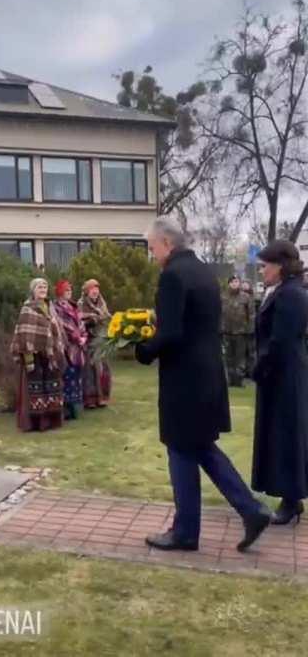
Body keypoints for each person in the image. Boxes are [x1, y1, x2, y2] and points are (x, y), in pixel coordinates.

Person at [135, 217, 270, 553]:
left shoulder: (173, 276)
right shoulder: (203, 272)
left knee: (181, 449)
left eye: (152, 249)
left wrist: (142, 349)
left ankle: (185, 532)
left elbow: (171, 333)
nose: (153, 256)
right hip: (208, 373)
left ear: (166, 243)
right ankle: (251, 511)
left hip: (184, 379)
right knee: (202, 448)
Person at [252, 240, 308, 525]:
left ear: (281, 266)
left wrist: (260, 367)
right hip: (279, 373)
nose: (262, 271)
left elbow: (281, 340)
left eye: (265, 266)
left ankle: (291, 498)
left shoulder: (292, 294)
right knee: (279, 434)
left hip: (285, 375)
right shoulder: (284, 291)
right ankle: (290, 498)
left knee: (287, 435)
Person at [11, 278, 66, 432]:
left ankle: (51, 420)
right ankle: (37, 423)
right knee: (36, 388)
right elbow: (24, 333)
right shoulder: (27, 309)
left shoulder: (50, 307)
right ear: (33, 290)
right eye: (39, 287)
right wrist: (28, 358)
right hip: (34, 355)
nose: (43, 289)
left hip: (50, 354)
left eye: (45, 287)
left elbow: (56, 330)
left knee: (52, 386)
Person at [54, 280, 86, 420]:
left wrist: (84, 336)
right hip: (67, 346)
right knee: (67, 375)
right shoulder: (56, 307)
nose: (69, 292)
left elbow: (81, 322)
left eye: (70, 290)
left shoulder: (74, 306)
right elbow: (62, 325)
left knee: (76, 376)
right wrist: (75, 336)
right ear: (60, 292)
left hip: (78, 347)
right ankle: (66, 408)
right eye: (66, 290)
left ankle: (74, 407)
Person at [78, 279, 111, 409]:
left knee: (103, 369)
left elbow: (107, 317)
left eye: (96, 289)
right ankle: (90, 399)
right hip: (89, 340)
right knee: (90, 369)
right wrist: (91, 319)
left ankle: (102, 397)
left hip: (101, 339)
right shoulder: (81, 304)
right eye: (92, 289)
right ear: (87, 291)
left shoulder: (102, 303)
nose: (95, 292)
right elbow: (79, 319)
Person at [222, 275, 254, 387]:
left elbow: (251, 314)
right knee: (229, 357)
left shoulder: (245, 297)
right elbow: (218, 313)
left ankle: (239, 380)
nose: (235, 284)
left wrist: (250, 329)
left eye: (237, 282)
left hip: (241, 331)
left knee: (240, 358)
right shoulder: (223, 296)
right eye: (233, 282)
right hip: (226, 331)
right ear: (229, 283)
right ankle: (230, 380)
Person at [241, 279, 256, 378]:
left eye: (246, 285)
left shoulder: (254, 298)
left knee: (251, 352)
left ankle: (251, 371)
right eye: (243, 285)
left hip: (251, 328)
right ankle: (244, 371)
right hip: (241, 328)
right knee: (243, 351)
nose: (245, 286)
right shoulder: (241, 298)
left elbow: (253, 314)